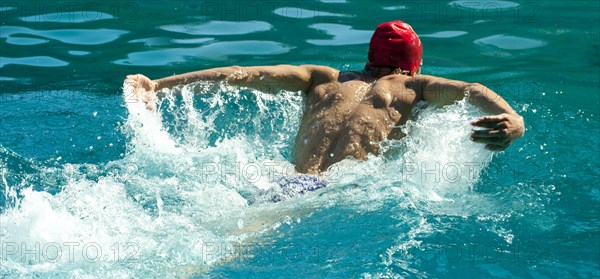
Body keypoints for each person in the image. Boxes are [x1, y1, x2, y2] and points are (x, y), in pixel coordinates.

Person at [124, 20, 525, 176]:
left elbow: (242, 75)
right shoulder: (414, 88)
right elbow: (473, 91)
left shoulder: (321, 78)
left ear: (369, 58)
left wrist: (158, 86)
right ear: (414, 65)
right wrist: (513, 119)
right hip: (333, 193)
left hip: (283, 179)